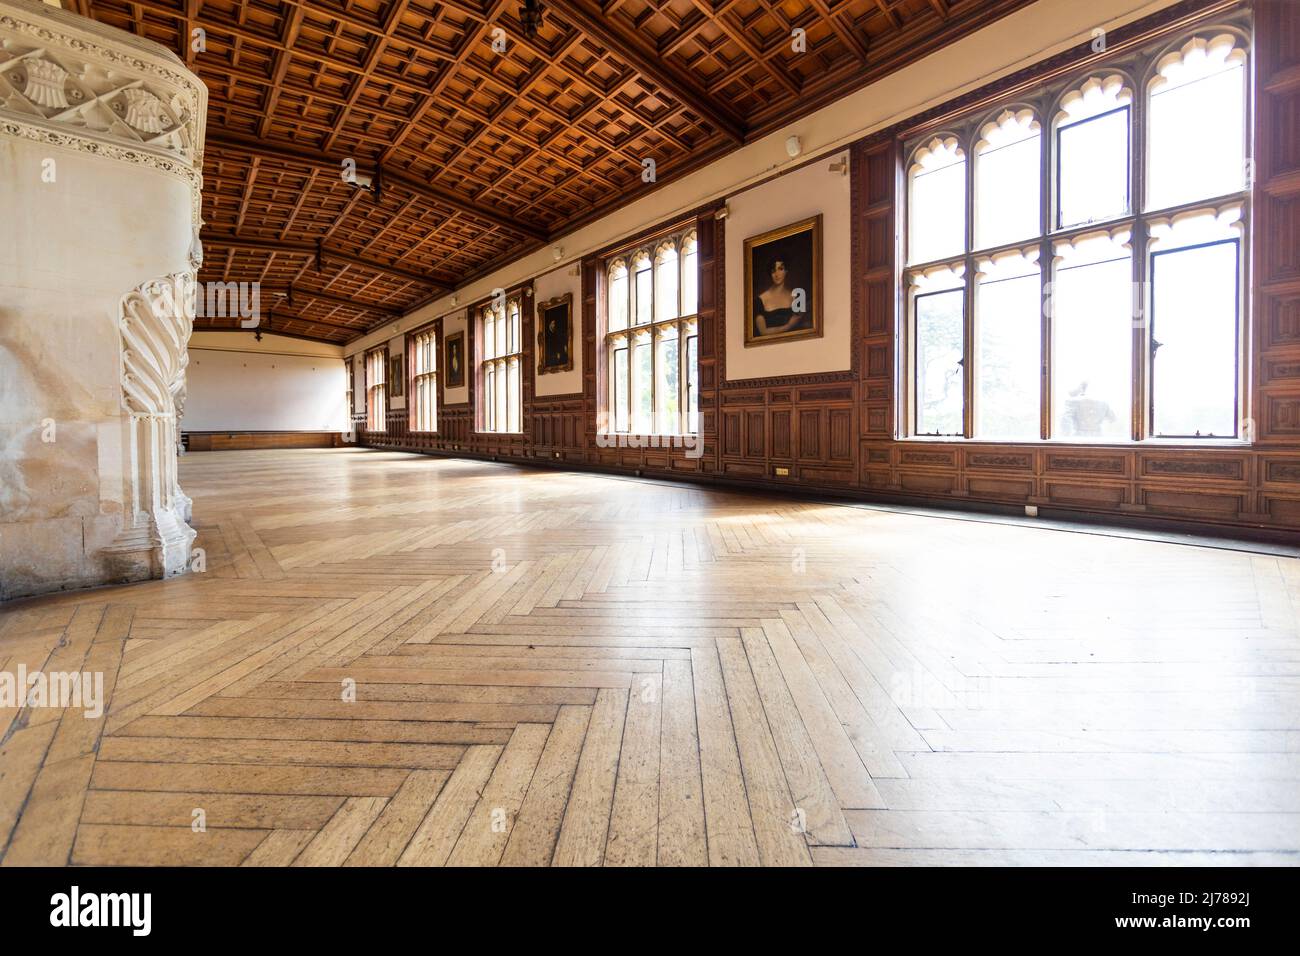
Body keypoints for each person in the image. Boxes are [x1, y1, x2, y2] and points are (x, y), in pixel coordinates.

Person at [753, 258, 810, 337]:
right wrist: (788, 326)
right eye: (773, 271)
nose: (777, 274)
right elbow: (763, 332)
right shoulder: (759, 300)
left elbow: (803, 325)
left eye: (780, 269)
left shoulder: (798, 296)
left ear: (786, 271)